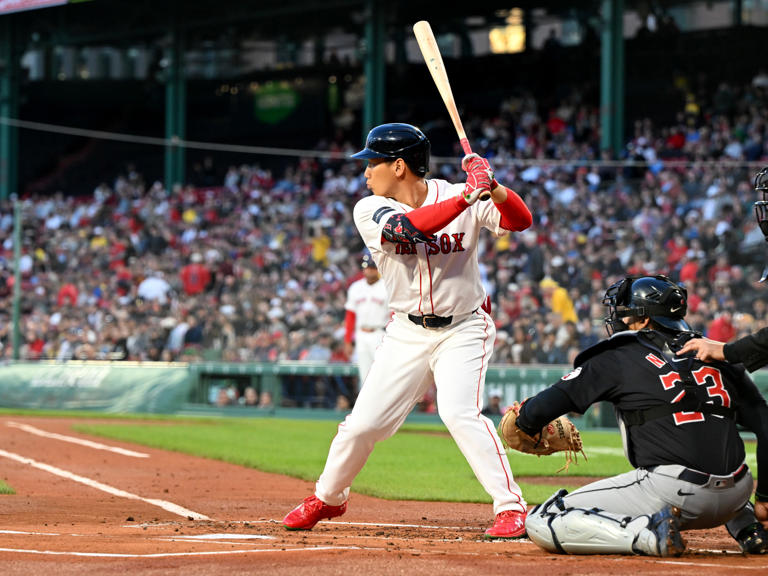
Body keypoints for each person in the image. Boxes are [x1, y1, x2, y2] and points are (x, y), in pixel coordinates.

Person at [282, 122, 533, 538]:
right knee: (363, 426)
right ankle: (327, 498)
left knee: (459, 412)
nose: (365, 172)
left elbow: (521, 221)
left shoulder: (459, 193)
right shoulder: (370, 208)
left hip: (464, 327)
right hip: (406, 332)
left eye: (372, 163)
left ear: (398, 166)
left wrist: (496, 187)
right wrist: (469, 195)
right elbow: (407, 231)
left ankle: (510, 507)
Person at [514, 275, 767, 557]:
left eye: (625, 315)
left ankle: (645, 535)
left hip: (673, 491)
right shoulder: (718, 354)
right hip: (737, 493)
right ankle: (749, 529)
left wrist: (524, 419)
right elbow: (766, 426)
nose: (618, 321)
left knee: (543, 518)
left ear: (645, 320)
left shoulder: (620, 354)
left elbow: (536, 413)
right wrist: (765, 496)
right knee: (711, 451)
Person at [343, 253, 390, 387]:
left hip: (380, 333)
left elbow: (394, 315)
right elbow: (350, 315)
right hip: (361, 334)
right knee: (364, 375)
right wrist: (347, 340)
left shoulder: (386, 286)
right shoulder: (355, 288)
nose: (369, 270)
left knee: (381, 373)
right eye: (366, 267)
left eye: (372, 267)